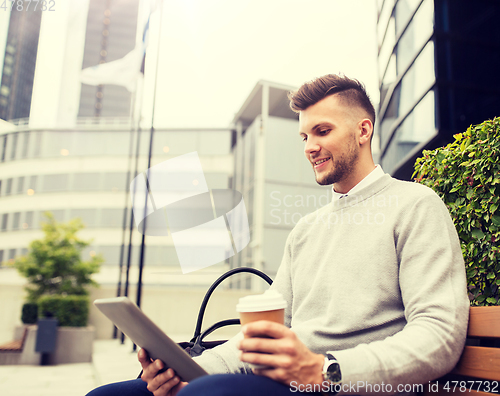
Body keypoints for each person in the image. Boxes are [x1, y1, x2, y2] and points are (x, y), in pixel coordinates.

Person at [87, 74, 469, 396]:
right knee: (109, 395)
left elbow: (439, 337)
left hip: (343, 385)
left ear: (363, 130)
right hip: (284, 381)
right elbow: (261, 337)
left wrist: (326, 370)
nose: (310, 147)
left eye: (322, 131)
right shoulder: (306, 230)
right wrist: (187, 369)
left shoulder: (416, 205)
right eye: (304, 136)